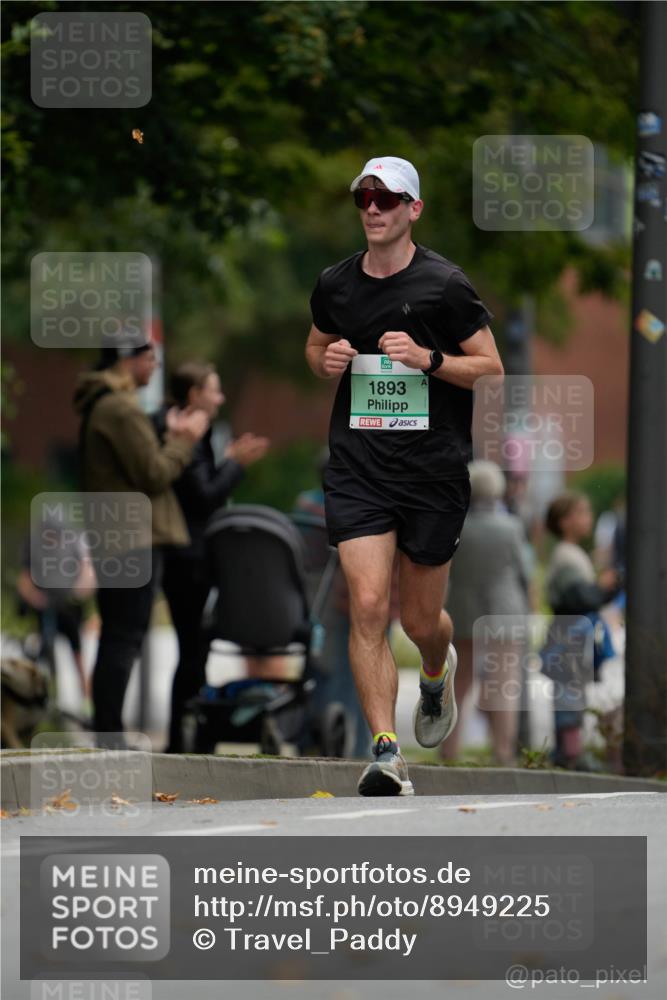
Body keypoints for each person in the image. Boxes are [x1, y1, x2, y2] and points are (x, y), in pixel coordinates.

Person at [305, 155, 503, 795]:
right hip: (360, 469)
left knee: (421, 622)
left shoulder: (445, 285)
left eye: (386, 199)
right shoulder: (336, 284)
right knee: (368, 605)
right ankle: (386, 752)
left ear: (412, 209)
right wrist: (327, 358)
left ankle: (435, 670)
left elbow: (490, 368)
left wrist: (429, 357)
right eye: (364, 197)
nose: (372, 208)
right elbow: (314, 346)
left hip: (432, 474)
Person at [73, 342, 208, 744]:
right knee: (123, 637)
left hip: (119, 535)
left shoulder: (109, 405)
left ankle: (108, 732)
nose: (155, 365)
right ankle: (109, 734)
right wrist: (184, 440)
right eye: (149, 357)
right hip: (132, 539)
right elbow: (153, 472)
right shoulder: (119, 408)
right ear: (127, 360)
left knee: (119, 634)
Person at [152, 361, 270, 752]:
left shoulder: (189, 429)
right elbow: (202, 494)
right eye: (213, 390)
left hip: (189, 552)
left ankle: (190, 736)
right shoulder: (186, 430)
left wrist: (228, 461)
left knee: (195, 648)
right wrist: (236, 464)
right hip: (188, 556)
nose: (220, 398)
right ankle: (182, 740)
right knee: (191, 648)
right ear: (194, 395)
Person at [439, 460, 532, 766]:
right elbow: (524, 571)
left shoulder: (456, 526)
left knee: (458, 685)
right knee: (504, 685)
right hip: (505, 612)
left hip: (464, 612)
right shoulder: (512, 527)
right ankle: (504, 752)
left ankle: (449, 750)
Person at [543, 491, 619, 770]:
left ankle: (568, 750)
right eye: (582, 513)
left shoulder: (571, 554)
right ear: (565, 522)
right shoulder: (568, 557)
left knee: (572, 691)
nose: (589, 519)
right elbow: (579, 598)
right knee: (569, 693)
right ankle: (570, 753)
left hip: (573, 634)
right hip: (569, 636)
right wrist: (604, 588)